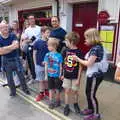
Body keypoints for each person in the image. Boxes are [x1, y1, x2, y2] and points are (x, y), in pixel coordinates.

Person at [73, 28, 104, 120]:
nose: (85, 40)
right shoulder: (96, 47)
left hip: (95, 75)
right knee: (88, 92)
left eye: (86, 38)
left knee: (91, 95)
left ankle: (96, 114)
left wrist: (78, 59)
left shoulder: (95, 49)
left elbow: (88, 63)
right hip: (92, 74)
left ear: (92, 38)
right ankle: (90, 109)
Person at [0, 22, 30, 96]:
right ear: (0, 29)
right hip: (6, 60)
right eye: (4, 27)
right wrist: (10, 47)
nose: (6, 28)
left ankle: (25, 89)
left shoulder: (12, 35)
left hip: (15, 59)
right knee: (9, 79)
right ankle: (13, 92)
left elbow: (16, 46)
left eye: (7, 26)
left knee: (21, 76)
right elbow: (1, 52)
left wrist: (4, 48)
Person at [62, 32, 83, 116]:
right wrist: (63, 74)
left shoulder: (79, 52)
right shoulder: (65, 50)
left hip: (75, 77)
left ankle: (75, 104)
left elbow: (81, 67)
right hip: (66, 75)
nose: (65, 42)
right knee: (66, 91)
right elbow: (64, 63)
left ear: (71, 42)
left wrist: (78, 79)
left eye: (66, 41)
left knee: (75, 91)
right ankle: (66, 106)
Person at [44, 37, 63, 109]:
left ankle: (58, 101)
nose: (48, 47)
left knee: (58, 89)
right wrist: (46, 75)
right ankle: (51, 101)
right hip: (49, 75)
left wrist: (60, 74)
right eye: (48, 45)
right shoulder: (47, 55)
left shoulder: (59, 55)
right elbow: (46, 65)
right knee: (50, 89)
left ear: (54, 46)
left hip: (57, 76)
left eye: (49, 45)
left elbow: (61, 66)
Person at [33, 26, 50, 101]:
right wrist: (35, 64)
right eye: (47, 32)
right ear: (42, 33)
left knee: (46, 80)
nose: (49, 34)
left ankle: (46, 91)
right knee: (41, 80)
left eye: (49, 32)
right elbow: (34, 53)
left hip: (48, 65)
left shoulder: (50, 42)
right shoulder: (37, 42)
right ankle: (41, 93)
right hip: (39, 65)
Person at [24, 14, 41, 84]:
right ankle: (33, 77)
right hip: (30, 48)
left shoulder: (39, 28)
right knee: (31, 64)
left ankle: (40, 77)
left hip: (39, 48)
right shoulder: (27, 30)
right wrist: (30, 40)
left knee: (39, 63)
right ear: (28, 20)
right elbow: (26, 40)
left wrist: (31, 39)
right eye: (30, 19)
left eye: (32, 18)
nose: (31, 20)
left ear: (34, 19)